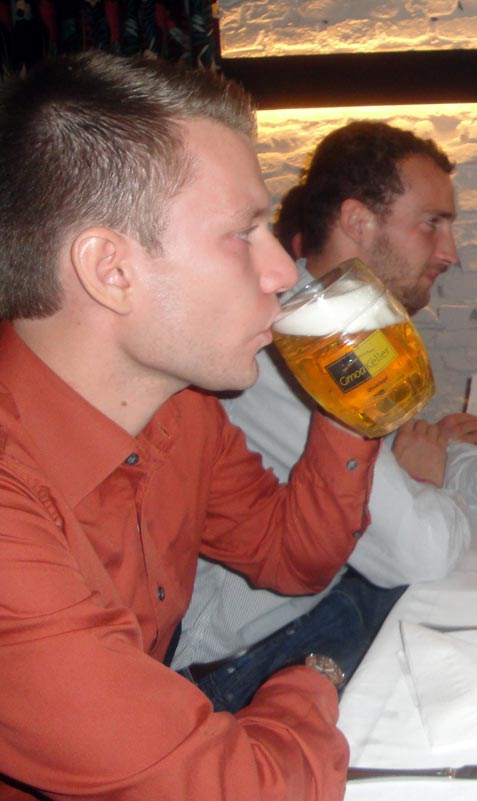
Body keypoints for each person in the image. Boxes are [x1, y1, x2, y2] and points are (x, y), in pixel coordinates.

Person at [0, 53, 377, 800]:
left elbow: (289, 556)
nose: (281, 271)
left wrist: (353, 397)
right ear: (112, 269)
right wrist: (313, 677)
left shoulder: (179, 409)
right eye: (244, 233)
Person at [173, 120, 477, 712]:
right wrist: (428, 483)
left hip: (321, 611)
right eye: (433, 224)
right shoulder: (286, 346)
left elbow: (409, 445)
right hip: (236, 669)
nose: (450, 253)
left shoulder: (350, 327)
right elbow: (416, 548)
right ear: (357, 222)